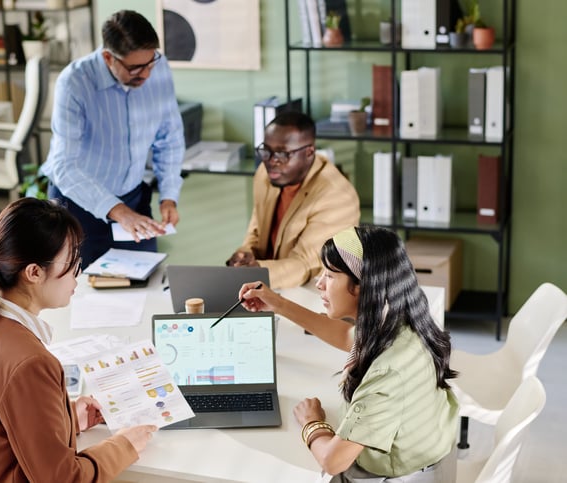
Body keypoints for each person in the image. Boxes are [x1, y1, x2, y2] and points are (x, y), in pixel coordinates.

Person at [0, 198, 157, 482]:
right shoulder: (29, 362)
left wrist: (68, 417)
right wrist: (124, 446)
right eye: (72, 263)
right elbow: (62, 479)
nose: (78, 274)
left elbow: (3, 428)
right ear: (34, 272)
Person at [238, 226, 459, 481]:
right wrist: (278, 304)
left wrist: (314, 424)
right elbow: (346, 336)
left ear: (363, 284)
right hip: (422, 452)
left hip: (398, 476)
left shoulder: (389, 369)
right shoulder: (397, 319)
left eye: (330, 275)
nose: (319, 283)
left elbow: (333, 460)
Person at [40, 9, 185, 267]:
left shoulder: (158, 71)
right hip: (78, 206)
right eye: (135, 68)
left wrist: (168, 196)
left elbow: (169, 138)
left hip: (132, 199)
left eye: (151, 62)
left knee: (143, 283)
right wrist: (120, 213)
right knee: (80, 292)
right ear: (108, 57)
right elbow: (64, 166)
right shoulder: (74, 83)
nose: (147, 74)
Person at [227, 111, 359, 289]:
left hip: (315, 293)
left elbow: (305, 264)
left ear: (309, 152)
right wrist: (244, 257)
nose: (271, 161)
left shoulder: (336, 196)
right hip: (270, 288)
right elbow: (256, 232)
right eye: (266, 151)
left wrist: (256, 271)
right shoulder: (266, 176)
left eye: (282, 154)